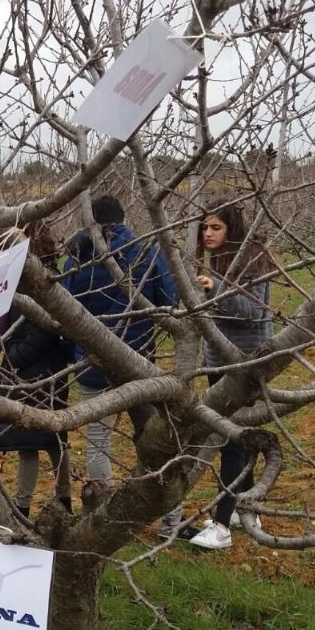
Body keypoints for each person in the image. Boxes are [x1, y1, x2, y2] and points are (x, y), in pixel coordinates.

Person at [62, 195, 198, 540]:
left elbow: (64, 307)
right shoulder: (145, 249)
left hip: (92, 362)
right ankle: (169, 521)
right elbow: (168, 301)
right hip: (138, 364)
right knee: (158, 441)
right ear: (123, 218)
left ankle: (107, 515)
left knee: (97, 441)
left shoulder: (76, 255)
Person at [189, 200, 273, 551]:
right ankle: (242, 507)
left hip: (244, 362)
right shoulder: (218, 259)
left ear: (232, 228)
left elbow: (253, 312)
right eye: (204, 228)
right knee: (235, 436)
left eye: (216, 228)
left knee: (230, 439)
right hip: (219, 361)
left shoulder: (252, 259)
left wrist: (215, 290)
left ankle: (222, 524)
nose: (208, 234)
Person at [0, 224, 72, 519]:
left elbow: (42, 329)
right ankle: (29, 504)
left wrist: (12, 358)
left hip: (39, 373)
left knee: (48, 441)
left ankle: (50, 502)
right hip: (37, 372)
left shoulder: (40, 280)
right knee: (35, 441)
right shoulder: (27, 276)